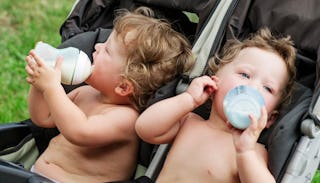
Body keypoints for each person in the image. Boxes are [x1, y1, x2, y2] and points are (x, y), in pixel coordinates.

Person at [25, 7, 194, 183]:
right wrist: (39, 86)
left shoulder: (125, 119)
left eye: (107, 50)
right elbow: (43, 118)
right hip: (35, 176)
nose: (97, 46)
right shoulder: (86, 93)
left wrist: (52, 88)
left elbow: (80, 132)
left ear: (123, 86)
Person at [135, 28, 296, 183]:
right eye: (245, 75)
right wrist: (189, 99)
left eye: (268, 88)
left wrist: (244, 152)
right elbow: (145, 128)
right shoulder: (189, 122)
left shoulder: (254, 152)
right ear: (214, 81)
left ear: (270, 118)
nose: (253, 88)